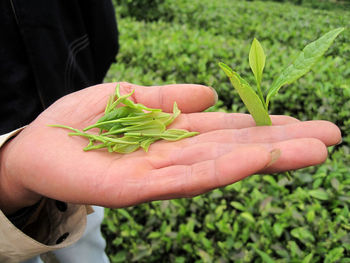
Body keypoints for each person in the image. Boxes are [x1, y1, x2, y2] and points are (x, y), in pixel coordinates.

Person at [0, 1, 342, 263]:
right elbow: (104, 33)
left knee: (85, 241)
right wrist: (7, 176)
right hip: (46, 141)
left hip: (76, 157)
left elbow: (101, 29)